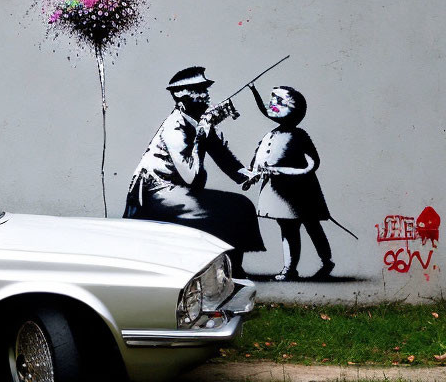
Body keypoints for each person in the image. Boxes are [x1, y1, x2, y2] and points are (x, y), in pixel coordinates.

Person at [123, 66, 265, 277]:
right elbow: (193, 178)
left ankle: (233, 268)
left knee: (241, 205)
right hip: (156, 192)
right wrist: (200, 137)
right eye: (199, 90)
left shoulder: (199, 121)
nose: (206, 95)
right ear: (182, 98)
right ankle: (221, 270)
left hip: (175, 189)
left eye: (205, 89)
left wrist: (245, 174)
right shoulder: (175, 128)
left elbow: (221, 154)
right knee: (223, 211)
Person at [244, 84, 334, 281]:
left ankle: (325, 261)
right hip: (277, 192)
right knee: (288, 228)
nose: (272, 106)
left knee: (311, 226)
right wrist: (253, 174)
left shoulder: (299, 135)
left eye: (278, 102)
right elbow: (258, 161)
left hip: (300, 191)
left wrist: (284, 171)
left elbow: (312, 164)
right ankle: (290, 268)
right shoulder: (271, 134)